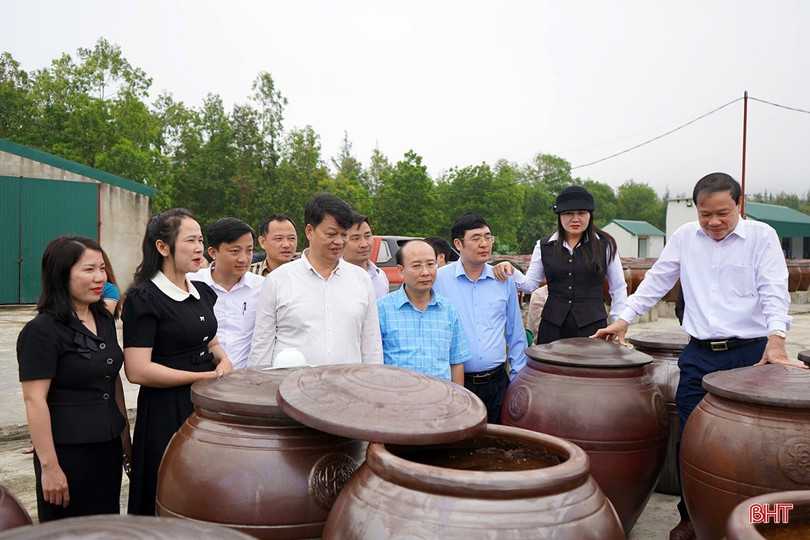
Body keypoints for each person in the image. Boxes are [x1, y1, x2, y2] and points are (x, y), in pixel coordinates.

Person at [592, 172, 804, 540]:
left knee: (751, 446)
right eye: (706, 214)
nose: (714, 222)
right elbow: (657, 280)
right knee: (691, 441)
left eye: (723, 213)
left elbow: (773, 289)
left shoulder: (761, 236)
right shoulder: (685, 237)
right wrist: (624, 319)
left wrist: (777, 338)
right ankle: (691, 517)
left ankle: (754, 521)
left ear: (739, 204)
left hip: (750, 357)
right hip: (699, 356)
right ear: (696, 209)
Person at [122, 208, 233, 516]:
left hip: (205, 402)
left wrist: (224, 362)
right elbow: (137, 370)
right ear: (162, 246)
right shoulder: (144, 298)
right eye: (190, 241)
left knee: (204, 487)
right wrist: (203, 377)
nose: (199, 248)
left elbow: (211, 342)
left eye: (200, 240)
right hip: (166, 408)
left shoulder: (201, 292)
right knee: (169, 489)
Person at [17, 236, 131, 521]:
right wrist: (49, 467)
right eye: (88, 269)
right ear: (61, 274)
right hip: (67, 454)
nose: (100, 278)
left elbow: (111, 379)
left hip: (107, 448)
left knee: (104, 528)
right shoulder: (41, 331)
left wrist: (125, 437)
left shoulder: (103, 319)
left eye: (102, 268)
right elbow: (35, 401)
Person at [249, 194, 383, 367]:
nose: (339, 241)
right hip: (292, 383)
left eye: (344, 234)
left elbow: (371, 346)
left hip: (347, 382)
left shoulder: (361, 279)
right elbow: (262, 346)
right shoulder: (278, 280)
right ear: (309, 231)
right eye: (331, 234)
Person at [494, 185, 627, 344]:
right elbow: (529, 285)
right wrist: (509, 269)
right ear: (559, 215)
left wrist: (618, 322)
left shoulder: (605, 244)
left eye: (581, 213)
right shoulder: (544, 246)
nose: (575, 219)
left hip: (592, 328)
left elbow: (618, 287)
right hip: (552, 327)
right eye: (568, 213)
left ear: (590, 215)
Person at [433, 213, 527, 424]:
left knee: (498, 439)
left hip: (497, 384)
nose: (484, 244)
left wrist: (517, 379)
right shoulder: (439, 280)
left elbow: (515, 332)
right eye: (476, 238)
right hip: (456, 383)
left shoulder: (502, 279)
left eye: (488, 237)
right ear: (458, 244)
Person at [377, 239, 470, 384]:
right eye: (416, 266)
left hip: (440, 395)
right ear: (401, 270)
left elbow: (456, 361)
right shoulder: (382, 309)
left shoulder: (448, 309)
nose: (425, 272)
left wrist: (457, 395)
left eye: (430, 264)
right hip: (397, 395)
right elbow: (374, 361)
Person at [187, 218, 265, 369]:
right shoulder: (191, 284)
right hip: (202, 374)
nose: (243, 259)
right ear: (213, 252)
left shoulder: (261, 287)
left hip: (247, 376)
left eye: (249, 250)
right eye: (235, 251)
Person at [343, 212, 389, 298]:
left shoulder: (380, 276)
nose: (364, 244)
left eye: (367, 236)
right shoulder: (334, 278)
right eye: (356, 238)